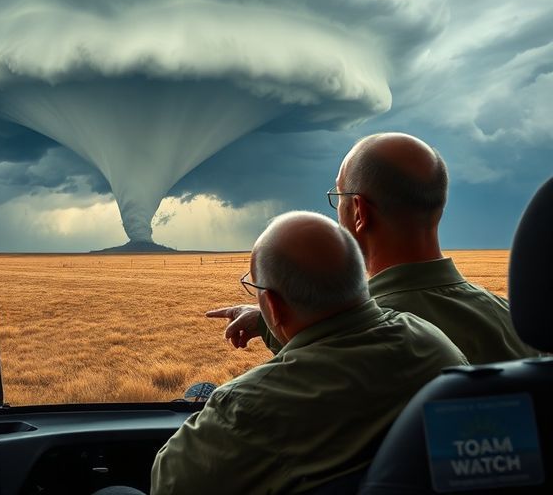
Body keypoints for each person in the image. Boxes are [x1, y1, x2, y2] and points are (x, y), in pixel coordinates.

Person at [152, 212, 466, 494]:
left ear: (273, 306)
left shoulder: (246, 408)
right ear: (359, 281)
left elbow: (169, 483)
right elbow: (340, 344)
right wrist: (268, 326)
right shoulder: (433, 344)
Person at [209, 133, 536, 364]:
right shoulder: (512, 321)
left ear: (361, 213)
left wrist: (276, 318)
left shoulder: (357, 336)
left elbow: (311, 370)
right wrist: (264, 320)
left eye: (339, 198)